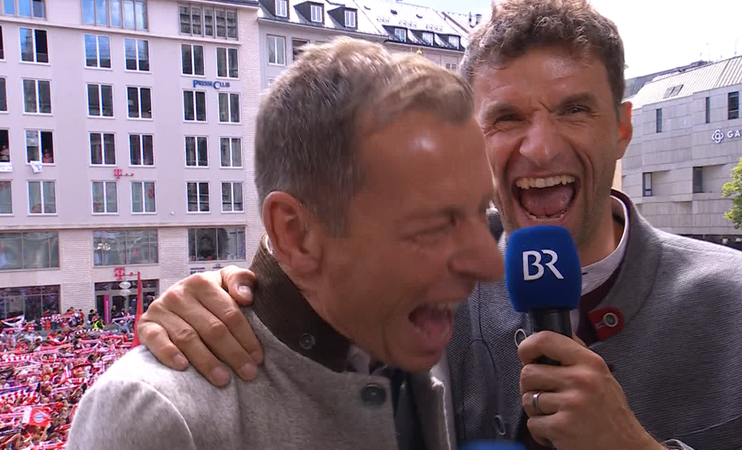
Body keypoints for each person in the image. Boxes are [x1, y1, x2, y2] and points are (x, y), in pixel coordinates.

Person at [137, 1, 742, 449]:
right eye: (506, 118)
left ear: (621, 129)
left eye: (573, 110)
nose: (539, 149)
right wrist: (235, 296)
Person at [68, 37, 502, 450]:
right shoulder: (156, 412)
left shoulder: (410, 354)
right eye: (430, 225)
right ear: (294, 232)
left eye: (478, 212)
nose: (487, 265)